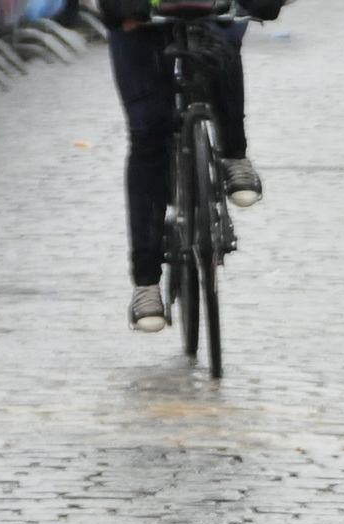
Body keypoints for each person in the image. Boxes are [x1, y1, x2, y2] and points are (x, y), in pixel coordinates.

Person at [100, 0, 266, 333]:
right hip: (137, 16)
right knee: (148, 130)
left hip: (211, 9)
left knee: (222, 46)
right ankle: (147, 283)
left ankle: (234, 154)